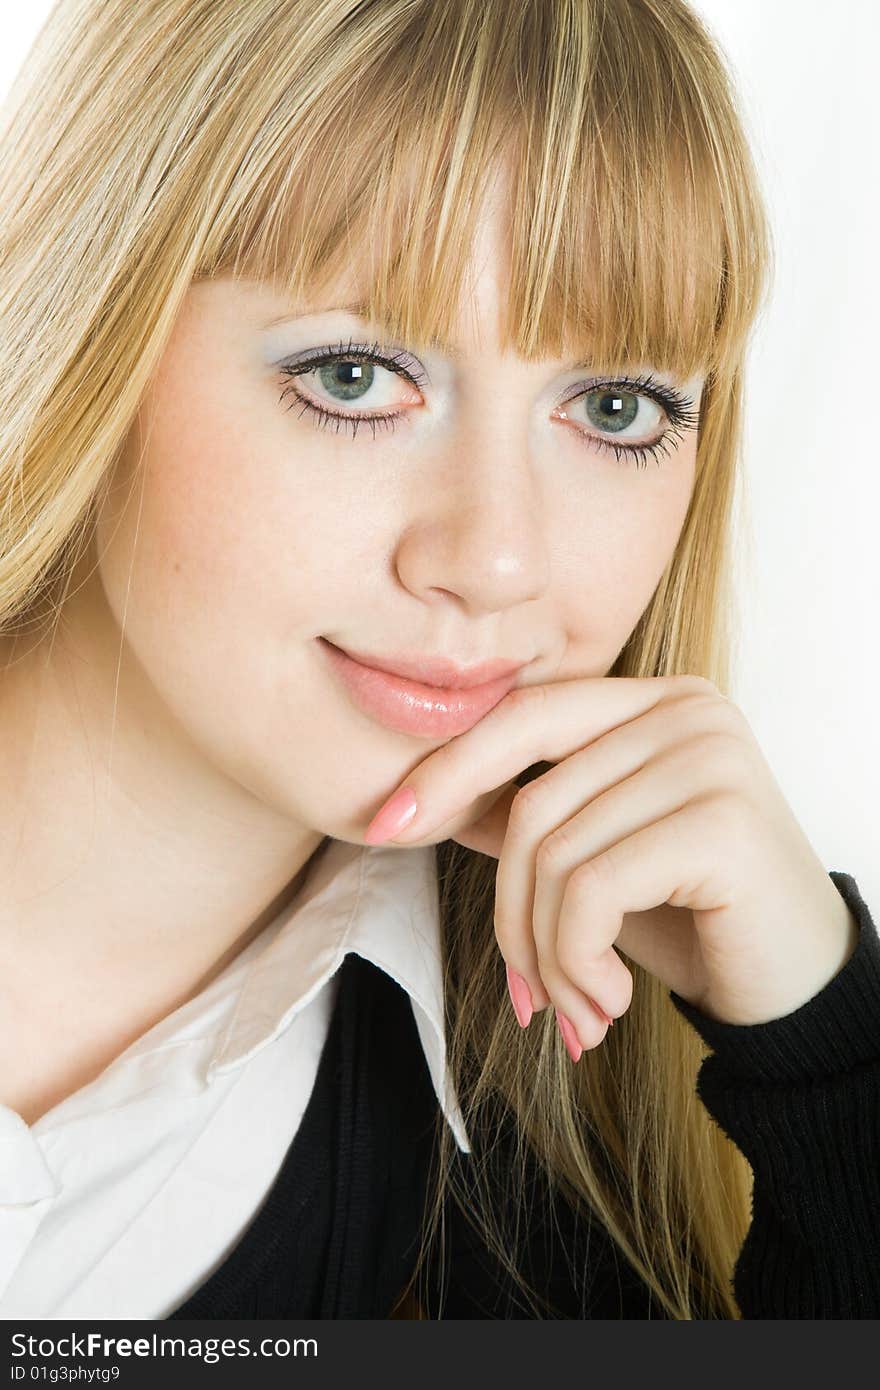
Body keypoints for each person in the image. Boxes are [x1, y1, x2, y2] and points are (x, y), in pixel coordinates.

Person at [0, 0, 877, 1322]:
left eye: (617, 408)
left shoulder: (539, 1244)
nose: (499, 557)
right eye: (354, 376)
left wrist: (829, 1052)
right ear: (90, 322)